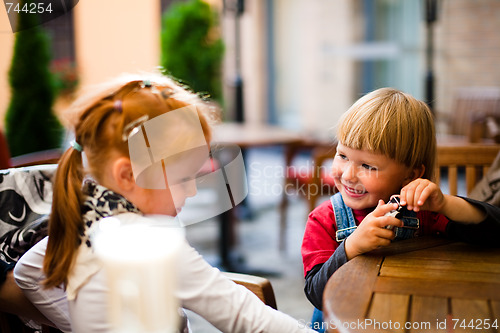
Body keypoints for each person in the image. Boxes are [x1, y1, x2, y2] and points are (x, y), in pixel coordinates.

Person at [14, 72, 315, 333]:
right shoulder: (148, 241)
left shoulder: (83, 219)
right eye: (184, 178)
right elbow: (247, 318)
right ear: (128, 175)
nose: (192, 191)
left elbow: (26, 272)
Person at [301, 88, 500, 327]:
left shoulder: (423, 212)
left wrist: (446, 204)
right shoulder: (325, 220)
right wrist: (351, 246)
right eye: (342, 155)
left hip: (408, 317)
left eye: (367, 165)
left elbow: (493, 232)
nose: (348, 175)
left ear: (411, 175)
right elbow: (315, 293)